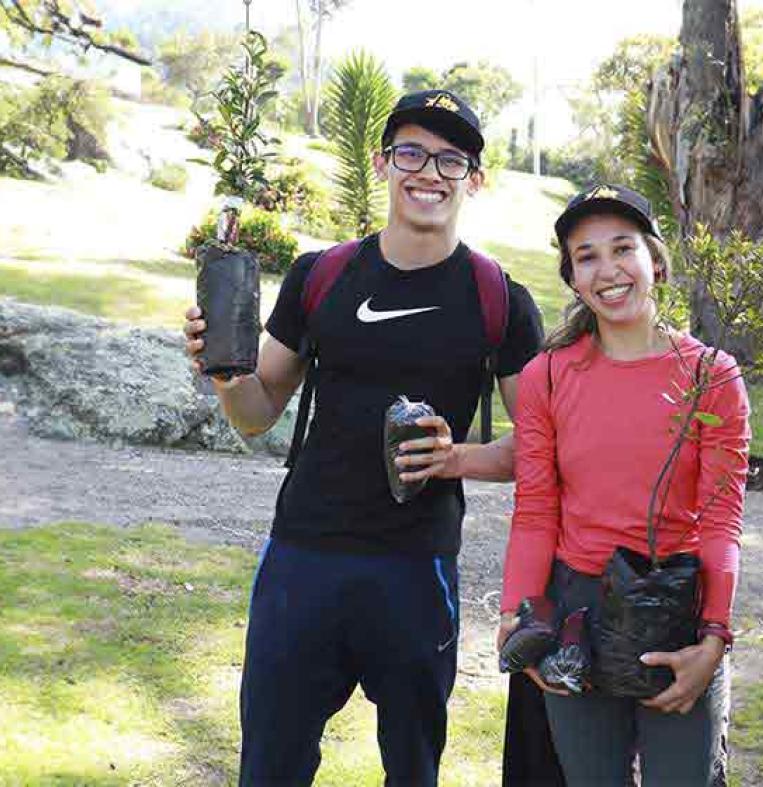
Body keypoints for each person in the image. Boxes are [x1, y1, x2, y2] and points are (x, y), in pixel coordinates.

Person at [182, 89, 544, 785]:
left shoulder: (499, 296)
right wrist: (223, 368)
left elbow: (540, 447)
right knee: (269, 766)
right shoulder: (322, 274)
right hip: (303, 559)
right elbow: (256, 412)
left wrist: (455, 457)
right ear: (383, 164)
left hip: (416, 569)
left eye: (450, 158)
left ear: (474, 178)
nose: (429, 172)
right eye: (411, 152)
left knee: (412, 770)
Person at [499, 184, 750, 784]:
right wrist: (520, 614)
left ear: (655, 262)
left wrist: (714, 636)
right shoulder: (549, 376)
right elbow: (536, 509)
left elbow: (720, 520)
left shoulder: (712, 375)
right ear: (573, 278)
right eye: (587, 256)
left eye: (623, 249)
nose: (608, 270)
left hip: (675, 607)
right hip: (577, 613)